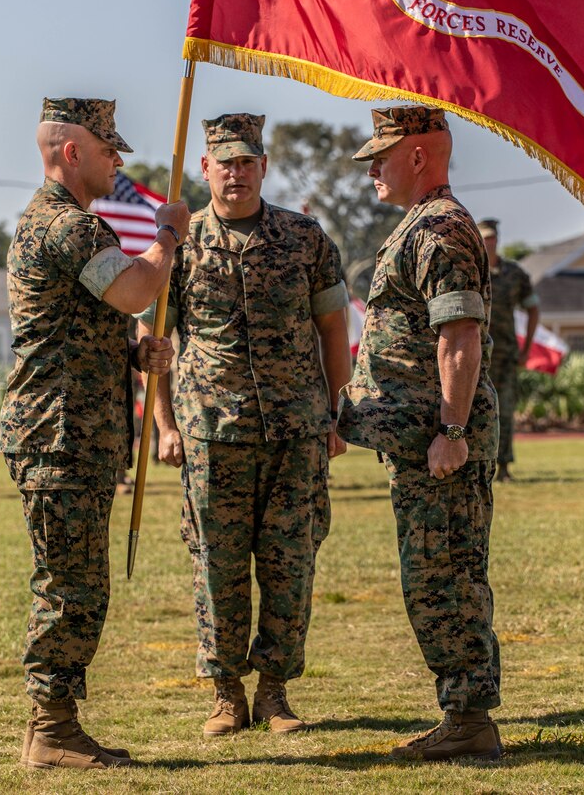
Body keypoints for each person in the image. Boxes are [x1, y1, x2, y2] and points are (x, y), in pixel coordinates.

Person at [137, 112, 351, 737]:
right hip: (211, 432)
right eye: (224, 162)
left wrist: (340, 412)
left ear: (264, 166)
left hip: (296, 431)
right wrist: (165, 424)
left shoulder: (305, 237)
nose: (236, 172)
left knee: (291, 561)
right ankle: (226, 693)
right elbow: (153, 335)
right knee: (216, 564)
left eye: (247, 161)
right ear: (205, 168)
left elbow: (333, 328)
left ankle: (275, 693)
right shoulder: (179, 244)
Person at [0, 97, 190, 770]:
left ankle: (58, 725)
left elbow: (97, 323)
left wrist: (140, 356)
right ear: (71, 151)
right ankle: (50, 729)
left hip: (73, 434)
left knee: (78, 583)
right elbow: (137, 292)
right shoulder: (67, 225)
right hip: (59, 436)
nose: (119, 160)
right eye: (109, 149)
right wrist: (167, 236)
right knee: (68, 587)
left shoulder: (76, 225)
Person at [337, 106, 502, 761]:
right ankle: (465, 716)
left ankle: (468, 722)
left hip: (440, 444)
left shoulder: (439, 230)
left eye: (381, 155)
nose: (371, 169)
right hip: (416, 443)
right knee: (431, 574)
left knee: (446, 576)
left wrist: (453, 430)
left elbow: (460, 334)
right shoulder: (417, 226)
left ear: (418, 155)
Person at [477, 219, 540, 482]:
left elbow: (533, 309)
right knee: (477, 412)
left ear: (497, 239)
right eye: (485, 238)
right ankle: (480, 467)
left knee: (504, 411)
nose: (489, 242)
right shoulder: (470, 269)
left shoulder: (515, 273)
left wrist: (526, 350)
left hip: (505, 356)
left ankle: (503, 467)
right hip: (476, 355)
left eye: (492, 238)